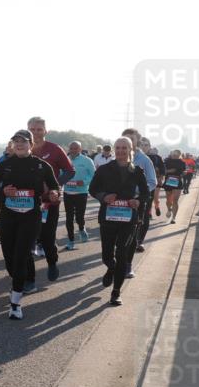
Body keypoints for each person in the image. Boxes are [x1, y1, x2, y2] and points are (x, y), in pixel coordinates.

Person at [0, 129, 60, 319]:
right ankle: (20, 280)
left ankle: (15, 303)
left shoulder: (41, 166)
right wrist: (4, 191)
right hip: (8, 217)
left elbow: (54, 186)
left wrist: (54, 194)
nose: (19, 144)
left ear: (31, 144)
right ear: (12, 144)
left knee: (21, 256)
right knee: (10, 259)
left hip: (31, 217)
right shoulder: (5, 165)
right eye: (16, 141)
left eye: (23, 141)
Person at [88, 137, 149, 305]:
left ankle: (116, 293)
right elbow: (92, 189)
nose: (121, 150)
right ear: (114, 149)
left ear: (131, 149)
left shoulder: (137, 171)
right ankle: (111, 268)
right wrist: (104, 196)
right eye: (118, 147)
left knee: (122, 253)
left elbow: (145, 193)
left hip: (128, 219)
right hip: (108, 218)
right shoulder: (104, 169)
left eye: (124, 147)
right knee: (107, 255)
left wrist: (138, 201)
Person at [28, 117, 74, 282]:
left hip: (49, 201)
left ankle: (52, 262)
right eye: (32, 129)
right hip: (26, 201)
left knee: (47, 236)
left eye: (39, 129)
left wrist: (55, 186)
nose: (36, 132)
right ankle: (28, 278)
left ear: (45, 131)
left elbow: (69, 171)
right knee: (26, 238)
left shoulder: (55, 149)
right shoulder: (22, 148)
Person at [120, 128, 157, 277]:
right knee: (117, 236)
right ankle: (116, 262)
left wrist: (138, 193)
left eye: (131, 139)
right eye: (125, 138)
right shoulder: (117, 158)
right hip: (118, 203)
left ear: (137, 141)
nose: (128, 142)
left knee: (132, 234)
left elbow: (152, 182)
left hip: (137, 202)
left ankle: (128, 265)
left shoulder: (144, 160)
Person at [63, 141, 96, 250]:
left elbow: (93, 175)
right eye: (71, 148)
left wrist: (85, 181)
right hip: (67, 192)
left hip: (81, 193)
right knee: (69, 217)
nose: (73, 150)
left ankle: (81, 229)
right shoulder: (65, 159)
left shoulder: (87, 161)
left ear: (80, 149)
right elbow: (59, 173)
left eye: (75, 148)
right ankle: (71, 241)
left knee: (79, 217)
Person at [162, 149, 187, 223]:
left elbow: (184, 170)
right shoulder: (167, 161)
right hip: (169, 180)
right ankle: (169, 209)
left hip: (177, 180)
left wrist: (184, 173)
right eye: (174, 154)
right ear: (172, 154)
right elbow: (163, 171)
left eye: (177, 154)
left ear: (179, 155)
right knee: (168, 200)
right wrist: (170, 171)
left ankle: (173, 218)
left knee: (175, 200)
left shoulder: (182, 162)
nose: (175, 155)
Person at [144, 142, 166, 220]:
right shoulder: (143, 157)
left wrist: (161, 178)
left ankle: (157, 207)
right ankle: (149, 213)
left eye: (146, 145)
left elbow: (163, 169)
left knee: (155, 197)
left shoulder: (158, 158)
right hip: (145, 180)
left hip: (156, 179)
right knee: (148, 197)